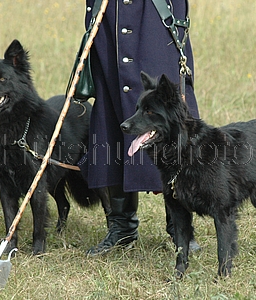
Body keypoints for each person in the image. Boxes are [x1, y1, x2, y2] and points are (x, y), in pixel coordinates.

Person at [79, 0, 200, 256]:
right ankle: (121, 227)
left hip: (155, 14)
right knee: (112, 115)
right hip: (110, 14)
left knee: (166, 111)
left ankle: (180, 228)